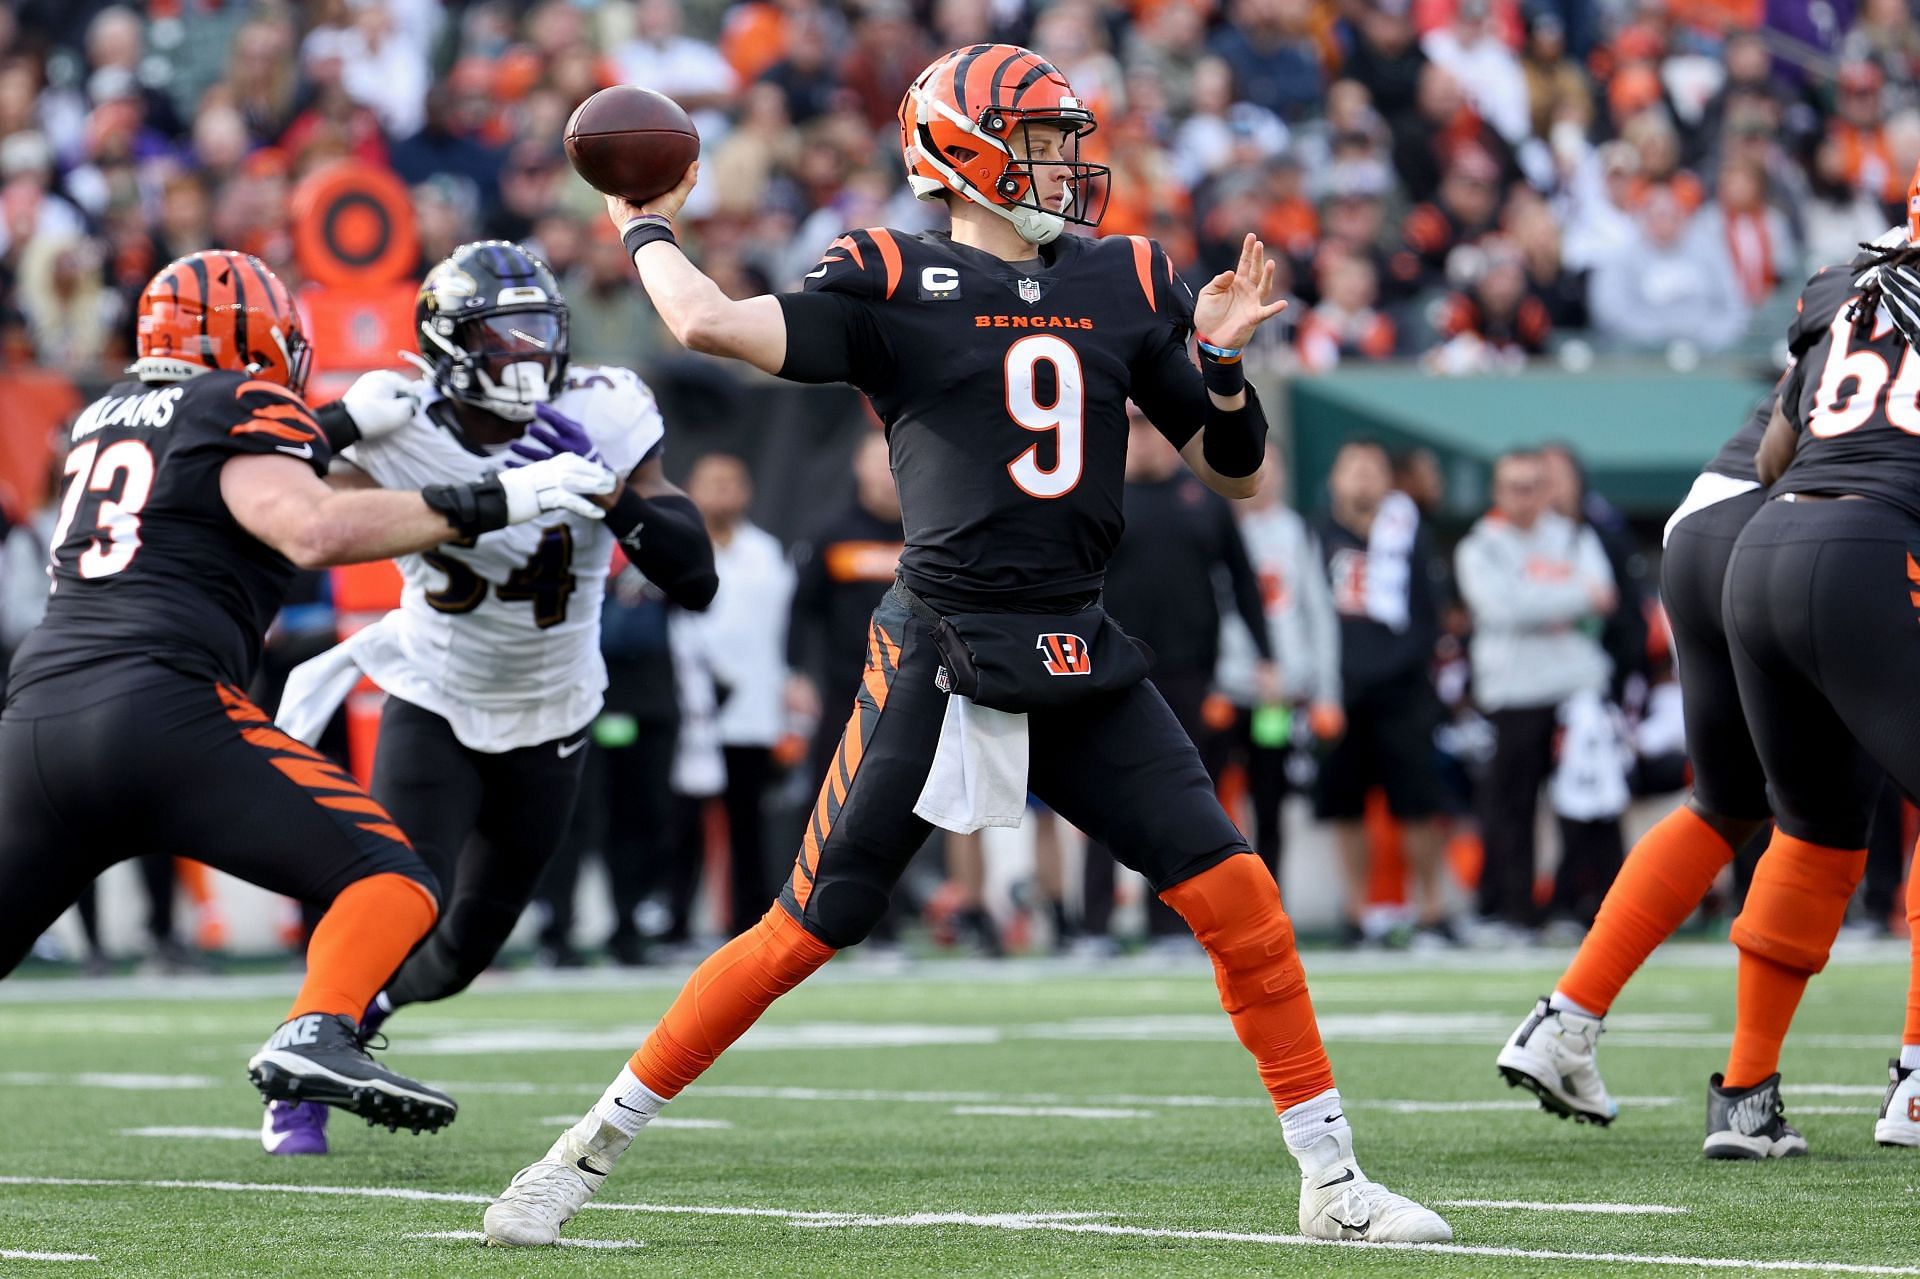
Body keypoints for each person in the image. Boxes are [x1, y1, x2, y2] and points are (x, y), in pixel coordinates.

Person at [483, 44, 1449, 1248]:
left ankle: (1333, 1181)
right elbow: (711, 325)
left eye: (1064, 138)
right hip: (942, 641)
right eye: (1040, 139)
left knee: (1240, 895)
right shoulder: (892, 273)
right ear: (956, 153)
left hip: (1079, 642)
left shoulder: (1126, 277)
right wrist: (645, 223)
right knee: (811, 919)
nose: (1067, 163)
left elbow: (1237, 472)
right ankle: (579, 1155)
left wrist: (1221, 364)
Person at [0, 249, 620, 1135]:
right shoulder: (240, 398)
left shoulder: (103, 414)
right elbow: (312, 527)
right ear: (256, 341)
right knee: (391, 881)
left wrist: (329, 423)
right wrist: (500, 496)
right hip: (162, 710)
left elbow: (209, 481)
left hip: (37, 722)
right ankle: (317, 1029)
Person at [264, 240, 718, 1155]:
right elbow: (266, 498)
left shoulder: (604, 407)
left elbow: (695, 574)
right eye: (498, 334)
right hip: (435, 688)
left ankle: (359, 1007)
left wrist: (614, 499)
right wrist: (338, 423)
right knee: (395, 887)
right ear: (446, 343)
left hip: (555, 708)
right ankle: (304, 1047)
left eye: (537, 330)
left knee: (464, 949)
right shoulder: (401, 421)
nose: (525, 353)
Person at [1494, 223, 1909, 1133]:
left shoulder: (1850, 285)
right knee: (1825, 816)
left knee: (1731, 803)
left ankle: (1571, 1015)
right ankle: (1903, 1075)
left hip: (1715, 518)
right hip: (1821, 522)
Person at [1687, 228, 1920, 1158]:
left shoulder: (1845, 295)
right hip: (1868, 554)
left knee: (1815, 830)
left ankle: (1744, 1095)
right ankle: (1914, 1077)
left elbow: (1777, 454)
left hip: (1765, 547)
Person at [1081, 407, 1276, 949]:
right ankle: (1095, 923)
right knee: (1097, 795)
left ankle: (1170, 920)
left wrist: (1266, 655)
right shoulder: (1096, 496)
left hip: (1190, 673)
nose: (1142, 439)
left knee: (1179, 799)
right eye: (1132, 427)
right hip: (1108, 675)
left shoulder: (1204, 502)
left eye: (1150, 425)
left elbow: (1241, 582)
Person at [1454, 450, 1618, 936]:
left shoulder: (1573, 536)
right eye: (1513, 486)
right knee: (1511, 807)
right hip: (1512, 692)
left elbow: (1603, 596)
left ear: (1547, 490)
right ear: (1497, 492)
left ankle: (1579, 905)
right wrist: (1566, 601)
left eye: (1532, 486)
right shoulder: (1479, 546)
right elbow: (1499, 608)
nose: (1523, 497)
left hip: (1575, 690)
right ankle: (1514, 910)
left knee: (1586, 805)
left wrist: (1534, 603)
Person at [1313, 439, 1453, 947]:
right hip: (1339, 690)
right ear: (1334, 480)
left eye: (1373, 468)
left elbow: (1432, 613)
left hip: (1403, 689)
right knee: (1345, 806)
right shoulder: (1318, 534)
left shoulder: (1409, 533)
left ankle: (1432, 910)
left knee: (1416, 803)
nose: (1363, 479)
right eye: (1353, 468)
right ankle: (1356, 911)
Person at [1215, 443, 1341, 881]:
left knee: (1269, 800)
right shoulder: (1214, 526)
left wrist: (1325, 692)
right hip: (1224, 691)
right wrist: (1215, 681)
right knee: (1207, 799)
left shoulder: (1296, 533)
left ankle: (1268, 898)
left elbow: (1317, 615)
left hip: (1276, 698)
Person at [684, 451, 794, 936]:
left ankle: (751, 922)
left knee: (748, 821)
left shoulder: (767, 553)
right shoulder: (679, 550)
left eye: (732, 481)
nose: (722, 492)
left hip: (751, 709)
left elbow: (781, 633)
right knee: (681, 823)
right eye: (712, 482)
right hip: (688, 712)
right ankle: (673, 920)